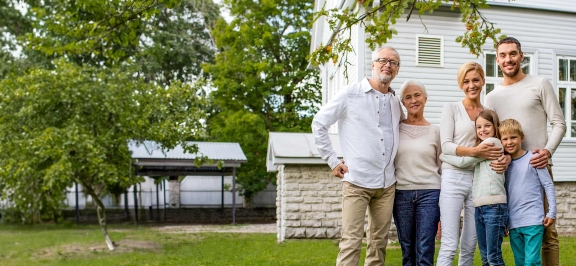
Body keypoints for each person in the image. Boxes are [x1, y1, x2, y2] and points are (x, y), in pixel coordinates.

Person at [312, 46, 404, 266]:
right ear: (373, 64)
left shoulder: (395, 103)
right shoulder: (350, 94)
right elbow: (319, 123)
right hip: (357, 182)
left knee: (378, 244)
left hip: (387, 185)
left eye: (393, 62)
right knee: (351, 242)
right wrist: (332, 161)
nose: (387, 65)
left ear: (397, 70)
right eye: (383, 60)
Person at [485, 37, 566, 266]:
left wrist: (548, 152)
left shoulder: (540, 84)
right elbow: (490, 137)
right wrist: (498, 160)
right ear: (497, 60)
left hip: (538, 167)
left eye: (512, 54)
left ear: (521, 56)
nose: (508, 59)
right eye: (503, 55)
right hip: (510, 173)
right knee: (517, 230)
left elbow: (559, 123)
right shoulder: (492, 97)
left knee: (547, 231)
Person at [437, 62, 506, 266]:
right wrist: (475, 151)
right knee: (450, 244)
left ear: (483, 81)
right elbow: (446, 145)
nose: (471, 85)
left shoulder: (488, 113)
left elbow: (499, 142)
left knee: (469, 246)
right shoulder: (452, 108)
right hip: (453, 178)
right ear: (461, 84)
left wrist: (506, 157)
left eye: (476, 80)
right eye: (466, 81)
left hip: (478, 181)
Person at [393, 80, 441, 266]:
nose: (413, 100)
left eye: (417, 95)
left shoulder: (435, 131)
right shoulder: (395, 129)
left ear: (425, 99)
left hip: (430, 194)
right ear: (403, 102)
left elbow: (442, 167)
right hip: (401, 193)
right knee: (407, 249)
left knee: (424, 248)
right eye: (408, 97)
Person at [500, 119, 557, 266]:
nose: (509, 142)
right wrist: (505, 222)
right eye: (505, 139)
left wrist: (551, 213)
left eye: (513, 137)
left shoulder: (534, 159)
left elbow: (548, 186)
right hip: (514, 223)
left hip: (533, 220)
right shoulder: (505, 165)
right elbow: (506, 194)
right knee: (519, 261)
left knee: (531, 261)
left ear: (522, 138)